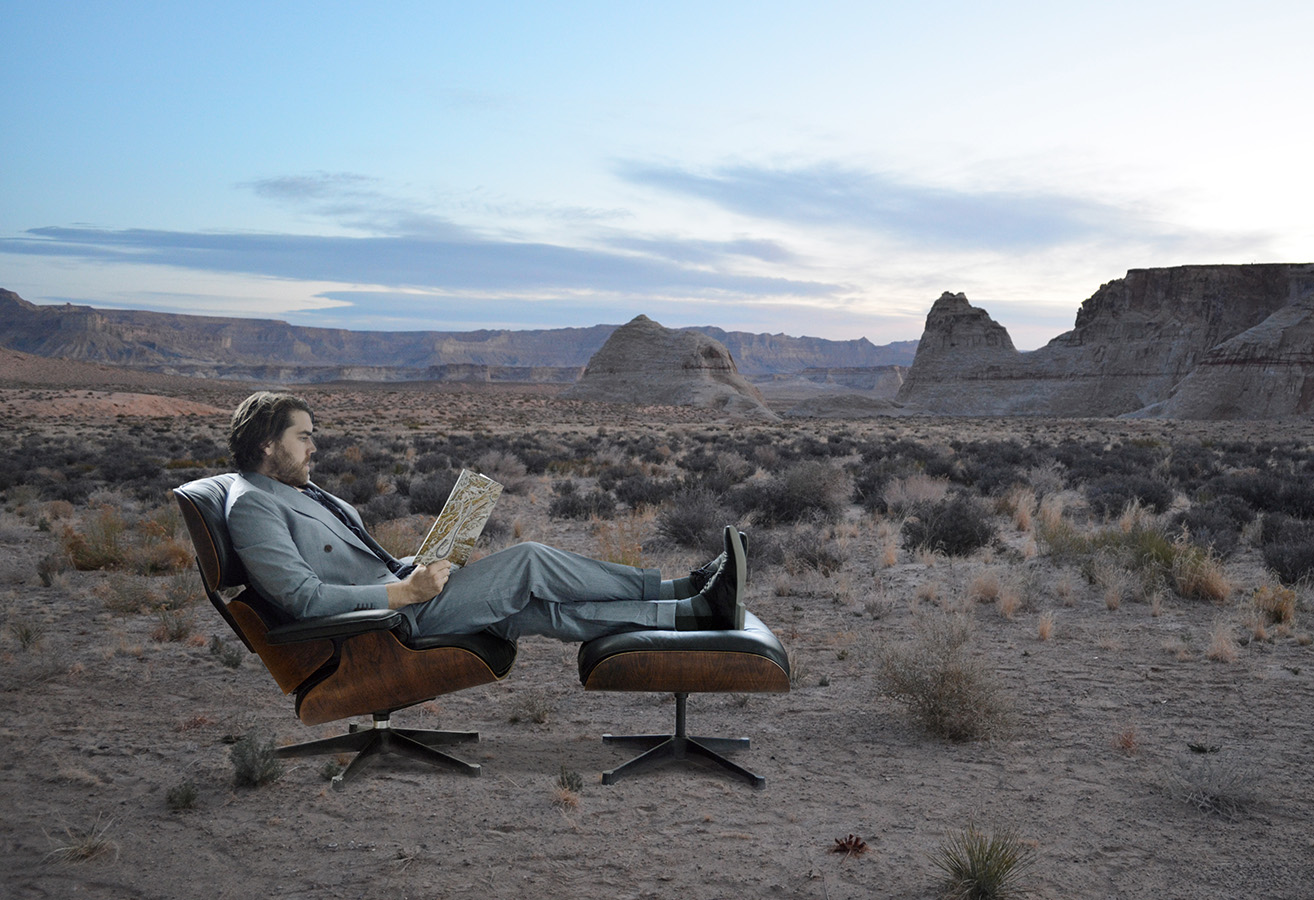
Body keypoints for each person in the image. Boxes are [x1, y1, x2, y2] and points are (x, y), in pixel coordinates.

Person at [223, 391, 746, 643]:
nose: (314, 448)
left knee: (539, 611)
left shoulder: (294, 489)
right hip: (385, 622)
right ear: (268, 444)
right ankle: (676, 588)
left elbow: (352, 563)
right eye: (304, 437)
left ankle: (691, 613)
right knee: (529, 561)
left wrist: (419, 564)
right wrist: (405, 592)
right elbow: (304, 599)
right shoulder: (253, 506)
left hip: (404, 594)